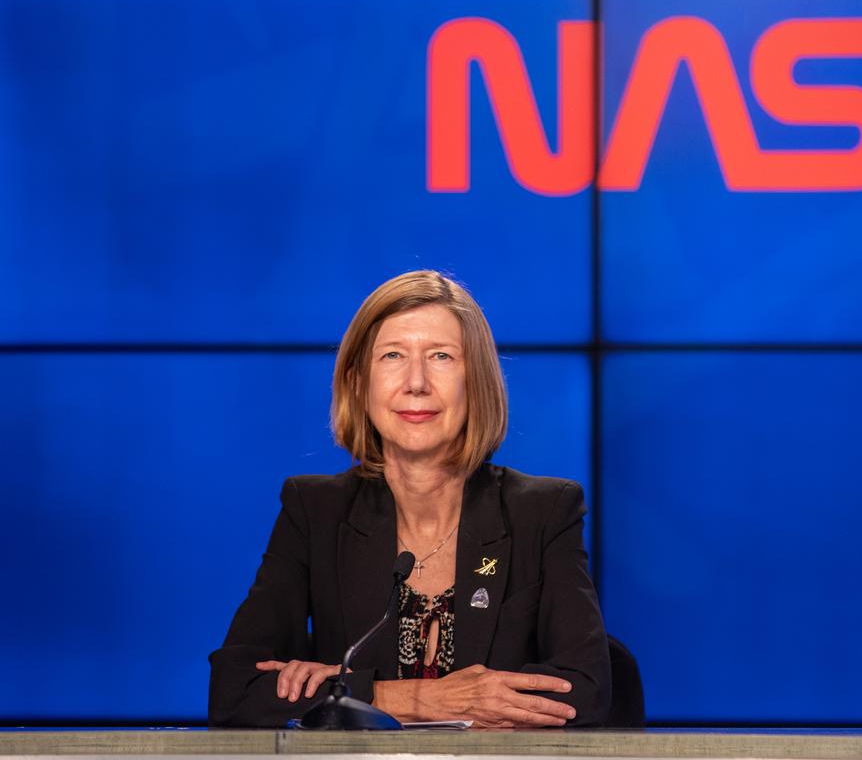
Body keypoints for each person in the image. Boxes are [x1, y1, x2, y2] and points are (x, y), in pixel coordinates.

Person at [208, 270, 610, 728]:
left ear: (475, 381)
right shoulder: (315, 510)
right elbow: (235, 691)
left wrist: (344, 689)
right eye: (393, 355)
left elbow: (586, 691)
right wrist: (423, 698)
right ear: (359, 382)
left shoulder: (542, 511)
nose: (415, 382)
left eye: (441, 356)